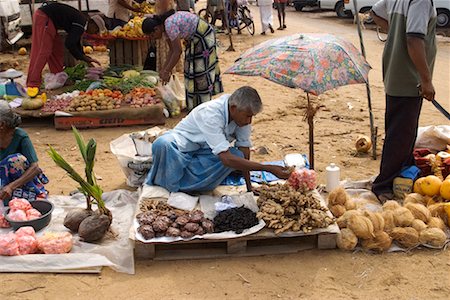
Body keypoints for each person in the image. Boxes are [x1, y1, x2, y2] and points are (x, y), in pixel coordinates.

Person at [145, 86, 292, 193]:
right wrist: (268, 168)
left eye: (252, 116)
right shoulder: (211, 114)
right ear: (234, 108)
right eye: (248, 116)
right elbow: (226, 159)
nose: (249, 120)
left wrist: (249, 187)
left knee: (238, 156)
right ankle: (168, 187)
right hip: (181, 148)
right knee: (162, 144)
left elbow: (244, 150)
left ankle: (187, 186)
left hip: (204, 153)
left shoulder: (242, 118)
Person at [370, 0, 437, 202]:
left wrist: (394, 33)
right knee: (400, 135)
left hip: (395, 73)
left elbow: (375, 12)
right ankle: (383, 185)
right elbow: (414, 39)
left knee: (403, 131)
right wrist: (426, 80)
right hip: (410, 78)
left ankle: (403, 173)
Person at [142, 10, 223, 110]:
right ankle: (193, 105)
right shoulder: (165, 29)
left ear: (156, 29)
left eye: (152, 35)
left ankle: (203, 106)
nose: (153, 38)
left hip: (203, 36)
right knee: (190, 70)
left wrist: (167, 71)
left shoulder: (169, 25)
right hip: (193, 38)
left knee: (201, 71)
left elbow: (177, 51)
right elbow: (171, 51)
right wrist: (163, 69)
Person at [26, 2, 101, 89]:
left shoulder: (81, 23)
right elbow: (70, 43)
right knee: (43, 51)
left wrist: (84, 58)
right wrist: (84, 58)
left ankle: (59, 78)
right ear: (92, 24)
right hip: (44, 17)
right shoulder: (81, 22)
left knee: (57, 49)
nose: (94, 33)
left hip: (50, 21)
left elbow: (75, 41)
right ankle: (33, 83)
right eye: (96, 30)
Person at [0, 101, 48, 205]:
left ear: (1, 124)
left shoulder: (20, 136)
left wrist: (11, 187)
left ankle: (27, 197)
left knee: (15, 160)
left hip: (18, 185)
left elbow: (35, 168)